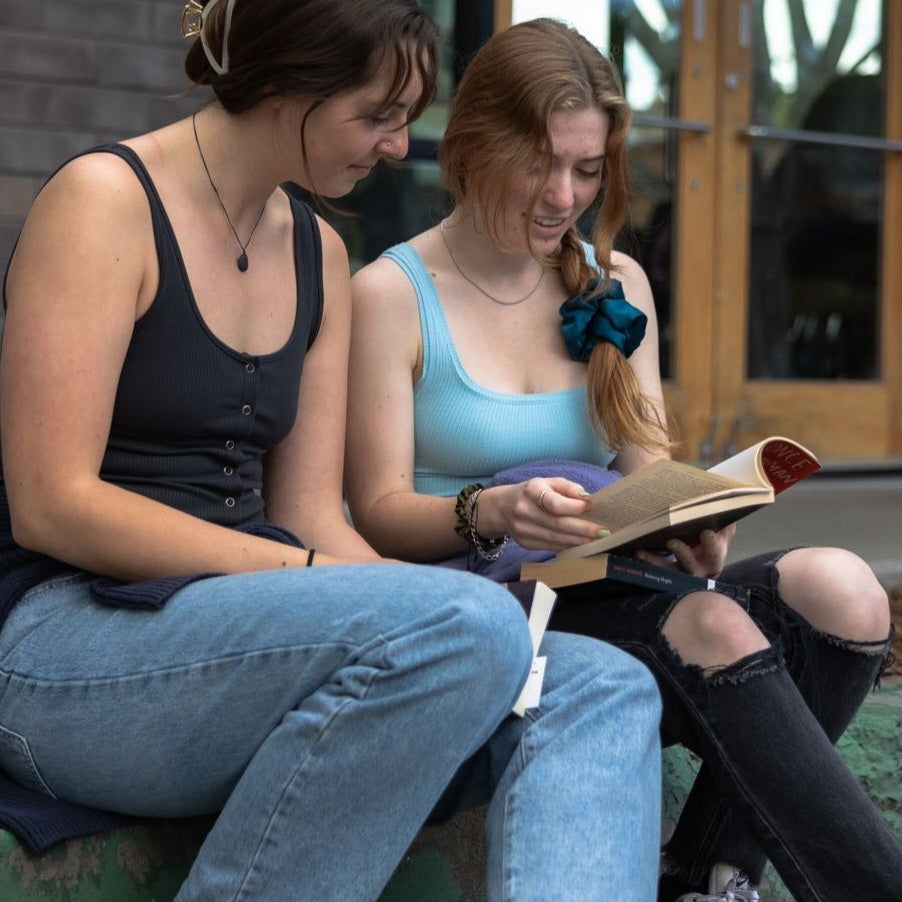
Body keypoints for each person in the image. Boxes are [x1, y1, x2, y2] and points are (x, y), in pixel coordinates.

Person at [0, 3, 665, 901]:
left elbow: (314, 515)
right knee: (465, 624)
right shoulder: (105, 203)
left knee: (604, 685)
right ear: (288, 84)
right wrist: (314, 575)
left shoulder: (319, 250)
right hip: (68, 652)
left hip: (254, 631)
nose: (397, 146)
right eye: (378, 114)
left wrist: (362, 585)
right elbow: (54, 501)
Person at [345, 16, 902, 902]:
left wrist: (690, 521)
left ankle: (707, 871)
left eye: (587, 169)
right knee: (713, 625)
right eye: (539, 163)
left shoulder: (616, 282)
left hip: (626, 587)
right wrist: (490, 511)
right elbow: (371, 511)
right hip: (488, 615)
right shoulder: (389, 294)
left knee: (847, 591)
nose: (563, 194)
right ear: (474, 144)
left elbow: (646, 465)